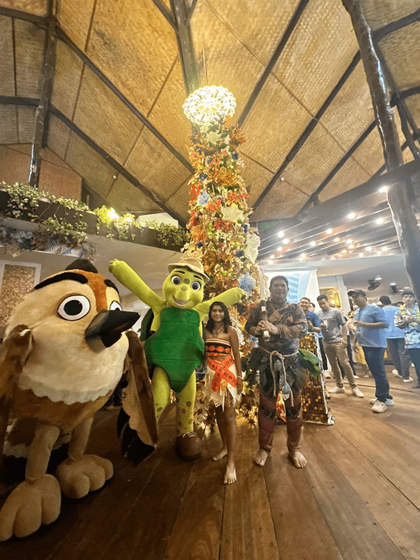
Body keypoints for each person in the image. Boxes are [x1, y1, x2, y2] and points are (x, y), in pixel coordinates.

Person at [245, 276, 308, 468]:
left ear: (288, 289)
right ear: (270, 288)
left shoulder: (295, 308)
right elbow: (248, 326)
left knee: (294, 408)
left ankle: (294, 448)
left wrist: (277, 329)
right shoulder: (261, 308)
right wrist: (257, 330)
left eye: (283, 285)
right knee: (266, 408)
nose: (279, 288)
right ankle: (264, 448)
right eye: (276, 285)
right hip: (267, 363)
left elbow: (303, 329)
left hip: (291, 364)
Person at [204, 302, 243, 484]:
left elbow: (237, 354)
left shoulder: (230, 331)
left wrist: (240, 377)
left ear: (225, 313)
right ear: (210, 313)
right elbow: (203, 354)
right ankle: (225, 447)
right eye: (214, 310)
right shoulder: (205, 332)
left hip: (227, 375)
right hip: (212, 375)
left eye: (220, 310)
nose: (217, 313)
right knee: (219, 413)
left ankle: (231, 463)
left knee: (228, 415)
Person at [348, 289, 392, 413]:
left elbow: (385, 324)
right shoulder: (357, 311)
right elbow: (358, 328)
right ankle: (387, 397)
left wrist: (365, 324)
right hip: (365, 344)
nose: (354, 299)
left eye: (357, 296)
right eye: (353, 298)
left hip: (376, 345)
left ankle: (382, 399)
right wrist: (354, 342)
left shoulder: (374, 309)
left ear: (364, 297)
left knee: (379, 373)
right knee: (376, 372)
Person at [316, 294, 364, 398]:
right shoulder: (318, 314)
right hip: (326, 342)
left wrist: (344, 338)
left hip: (337, 341)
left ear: (328, 302)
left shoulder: (335, 312)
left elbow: (344, 324)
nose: (322, 305)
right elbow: (319, 328)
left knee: (345, 363)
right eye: (320, 304)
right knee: (333, 364)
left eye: (324, 303)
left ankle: (354, 386)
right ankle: (339, 385)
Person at [379, 295, 413, 383]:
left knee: (394, 355)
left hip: (388, 335)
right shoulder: (398, 309)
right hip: (401, 333)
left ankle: (400, 372)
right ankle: (406, 376)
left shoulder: (381, 311)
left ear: (382, 303)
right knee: (403, 354)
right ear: (390, 300)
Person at [395, 289, 420, 388]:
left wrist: (416, 321)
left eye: (410, 296)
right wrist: (405, 321)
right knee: (417, 362)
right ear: (402, 299)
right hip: (410, 341)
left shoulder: (419, 308)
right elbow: (399, 325)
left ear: (414, 298)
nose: (408, 298)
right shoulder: (399, 311)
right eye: (405, 297)